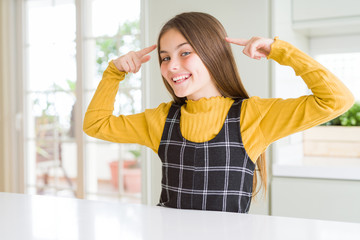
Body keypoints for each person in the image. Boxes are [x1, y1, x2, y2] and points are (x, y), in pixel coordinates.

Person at [83, 12, 354, 213]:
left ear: (212, 53)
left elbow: (337, 100)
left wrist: (280, 50)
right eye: (165, 57)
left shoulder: (253, 116)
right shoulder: (161, 120)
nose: (172, 66)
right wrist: (113, 74)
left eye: (185, 53)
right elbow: (95, 124)